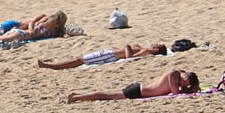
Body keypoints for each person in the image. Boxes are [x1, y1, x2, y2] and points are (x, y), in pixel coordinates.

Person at [67, 68, 200, 103]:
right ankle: (76, 97)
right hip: (138, 91)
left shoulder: (178, 75)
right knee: (104, 96)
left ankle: (77, 96)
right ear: (185, 76)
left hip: (140, 90)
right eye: (184, 82)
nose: (183, 85)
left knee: (105, 95)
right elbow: (176, 93)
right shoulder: (173, 75)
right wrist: (190, 90)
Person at [39, 42, 167, 70]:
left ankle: (50, 66)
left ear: (156, 50)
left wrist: (127, 47)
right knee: (80, 59)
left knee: (80, 60)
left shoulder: (146, 52)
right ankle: (51, 65)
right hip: (109, 53)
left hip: (110, 56)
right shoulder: (145, 49)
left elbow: (129, 57)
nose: (154, 44)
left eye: (156, 46)